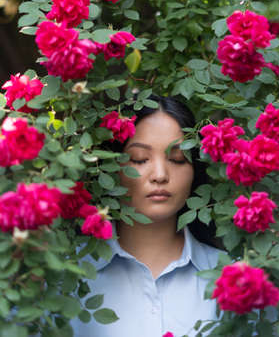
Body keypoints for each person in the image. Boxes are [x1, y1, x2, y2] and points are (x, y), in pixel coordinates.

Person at [73, 96, 221, 337]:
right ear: (109, 169)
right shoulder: (67, 274)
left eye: (177, 159)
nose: (160, 175)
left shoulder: (232, 276)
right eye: (140, 159)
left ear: (195, 170)